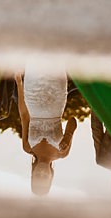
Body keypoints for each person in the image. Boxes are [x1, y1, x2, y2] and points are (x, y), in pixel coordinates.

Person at [16, 65, 78, 195]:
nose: (42, 173)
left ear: (32, 174)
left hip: (32, 96)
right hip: (56, 97)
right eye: (45, 178)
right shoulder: (62, 153)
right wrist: (67, 136)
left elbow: (24, 116)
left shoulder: (28, 147)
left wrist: (19, 83)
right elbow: (72, 120)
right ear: (51, 176)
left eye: (37, 177)